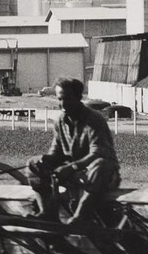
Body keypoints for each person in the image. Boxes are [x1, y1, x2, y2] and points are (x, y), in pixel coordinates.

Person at [27, 78, 120, 225]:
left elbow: (98, 152)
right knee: (33, 163)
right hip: (73, 174)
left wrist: (72, 167)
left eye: (68, 99)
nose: (63, 104)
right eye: (60, 99)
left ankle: (81, 217)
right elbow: (56, 152)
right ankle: (46, 212)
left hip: (99, 175)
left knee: (101, 165)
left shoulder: (94, 119)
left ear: (79, 97)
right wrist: (45, 160)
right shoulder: (59, 121)